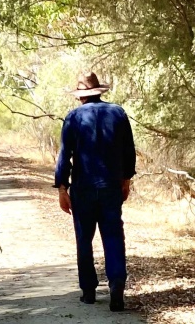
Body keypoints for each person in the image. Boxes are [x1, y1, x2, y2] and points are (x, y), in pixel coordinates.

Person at [54, 72, 136, 312]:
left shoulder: (73, 117)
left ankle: (88, 291)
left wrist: (62, 187)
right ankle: (117, 285)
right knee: (113, 236)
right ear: (98, 91)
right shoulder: (118, 113)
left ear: (80, 96)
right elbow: (128, 150)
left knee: (84, 238)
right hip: (110, 185)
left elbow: (64, 155)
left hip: (83, 187)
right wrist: (126, 180)